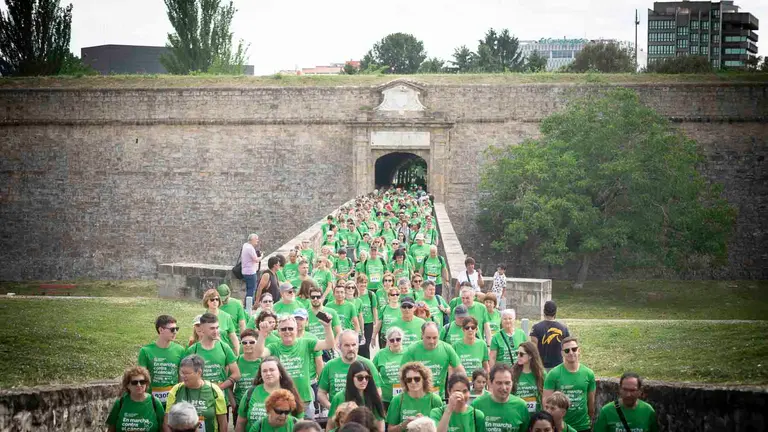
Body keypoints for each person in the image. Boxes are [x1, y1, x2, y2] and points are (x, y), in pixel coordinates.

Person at [255, 314, 336, 420]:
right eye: (283, 329)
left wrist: (327, 327)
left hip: (304, 399)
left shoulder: (306, 343)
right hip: (283, 400)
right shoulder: (274, 347)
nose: (287, 331)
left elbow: (329, 344)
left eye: (290, 328)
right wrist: (262, 335)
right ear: (278, 331)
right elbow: (259, 354)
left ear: (296, 329)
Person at [185, 313, 241, 409]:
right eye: (212, 328)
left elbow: (236, 374)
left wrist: (218, 388)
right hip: (199, 400)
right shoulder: (193, 350)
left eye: (217, 327)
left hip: (220, 399)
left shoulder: (224, 347)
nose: (216, 331)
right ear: (202, 329)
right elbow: (185, 376)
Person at [235, 356, 304, 432]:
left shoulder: (289, 394)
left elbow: (301, 425)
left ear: (280, 372)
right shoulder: (251, 393)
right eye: (264, 371)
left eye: (272, 370)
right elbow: (240, 423)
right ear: (261, 374)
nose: (268, 373)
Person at [318, 330, 382, 412]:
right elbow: (321, 393)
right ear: (339, 346)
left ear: (358, 345)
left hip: (363, 414)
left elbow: (378, 391)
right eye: (347, 345)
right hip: (338, 416)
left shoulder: (368, 364)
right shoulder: (330, 366)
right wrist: (332, 407)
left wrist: (368, 409)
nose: (351, 348)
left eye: (354, 345)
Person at [543, 337, 596, 432]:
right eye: (567, 350)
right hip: (561, 427)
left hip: (583, 426)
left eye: (574, 349)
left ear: (579, 350)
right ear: (562, 353)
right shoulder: (553, 374)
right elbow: (546, 403)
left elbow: (591, 403)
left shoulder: (589, 373)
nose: (571, 353)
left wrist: (590, 420)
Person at [401, 321, 465, 399]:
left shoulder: (447, 349)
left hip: (438, 397)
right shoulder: (411, 350)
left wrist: (458, 390)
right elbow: (402, 376)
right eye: (428, 338)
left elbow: (461, 371)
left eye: (435, 338)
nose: (431, 341)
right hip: (416, 397)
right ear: (422, 335)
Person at [165, 355, 227, 432]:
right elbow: (167, 420)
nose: (183, 376)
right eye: (182, 373)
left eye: (187, 373)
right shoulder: (176, 390)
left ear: (199, 372)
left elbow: (223, 422)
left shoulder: (214, 390)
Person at [138, 315, 186, 407]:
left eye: (177, 329)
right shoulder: (145, 351)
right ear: (161, 330)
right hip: (151, 401)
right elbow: (141, 378)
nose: (175, 332)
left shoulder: (180, 350)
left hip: (173, 401)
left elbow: (181, 376)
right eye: (172, 329)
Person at [327, 361, 386, 432]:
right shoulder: (339, 397)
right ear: (351, 377)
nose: (364, 381)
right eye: (360, 378)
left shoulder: (373, 396)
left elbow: (380, 425)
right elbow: (330, 426)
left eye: (367, 377)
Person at [471, 363, 530, 432]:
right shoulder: (477, 405)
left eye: (507, 383)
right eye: (499, 383)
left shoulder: (521, 406)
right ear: (490, 383)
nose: (503, 388)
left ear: (512, 383)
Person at [386, 362, 443, 432]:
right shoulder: (397, 400)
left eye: (417, 379)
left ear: (424, 379)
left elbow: (442, 429)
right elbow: (390, 430)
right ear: (405, 382)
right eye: (409, 380)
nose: (413, 382)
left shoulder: (435, 399)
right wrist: (405, 424)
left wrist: (425, 422)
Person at [593, 372, 658, 432]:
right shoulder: (607, 411)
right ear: (619, 389)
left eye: (632, 390)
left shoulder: (648, 411)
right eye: (625, 389)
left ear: (640, 391)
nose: (628, 395)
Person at [106, 366, 164, 432]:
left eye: (142, 382)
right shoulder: (120, 403)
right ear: (127, 385)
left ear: (146, 384)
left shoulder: (155, 403)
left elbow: (163, 428)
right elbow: (111, 429)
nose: (139, 385)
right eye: (134, 382)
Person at [233, 329, 264, 425]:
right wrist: (234, 405)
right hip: (239, 405)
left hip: (258, 406)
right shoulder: (236, 361)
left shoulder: (262, 362)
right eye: (244, 342)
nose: (248, 345)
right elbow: (229, 387)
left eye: (251, 342)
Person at [530, 301, 570, 371]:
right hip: (558, 366)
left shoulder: (536, 328)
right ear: (555, 312)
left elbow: (533, 349)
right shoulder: (563, 328)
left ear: (544, 311)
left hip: (541, 366)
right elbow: (568, 348)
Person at [372, 327, 406, 409]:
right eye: (392, 340)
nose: (395, 342)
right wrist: (378, 386)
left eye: (398, 339)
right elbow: (371, 372)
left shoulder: (408, 352)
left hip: (405, 397)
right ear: (387, 341)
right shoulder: (381, 354)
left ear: (402, 339)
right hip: (385, 398)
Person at [202, 288, 240, 356]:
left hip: (224, 352)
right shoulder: (202, 317)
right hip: (207, 352)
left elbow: (234, 337)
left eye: (217, 299)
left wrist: (237, 354)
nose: (215, 301)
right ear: (207, 301)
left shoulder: (227, 317)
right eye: (212, 299)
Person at [512, 341, 547, 413]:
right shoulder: (512, 373)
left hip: (536, 415)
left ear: (530, 356)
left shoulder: (541, 374)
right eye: (517, 353)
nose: (518, 356)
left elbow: (545, 396)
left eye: (521, 354)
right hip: (518, 413)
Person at [355, 273, 378, 359]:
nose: (363, 284)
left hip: (368, 323)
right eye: (361, 282)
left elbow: (374, 309)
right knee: (357, 346)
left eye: (365, 282)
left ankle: (366, 363)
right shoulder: (354, 295)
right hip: (356, 324)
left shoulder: (371, 295)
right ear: (357, 283)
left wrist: (375, 322)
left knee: (365, 346)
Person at [242, 233, 263, 300]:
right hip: (250, 272)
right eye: (256, 239)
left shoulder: (245, 245)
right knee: (252, 290)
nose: (257, 240)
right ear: (252, 239)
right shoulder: (250, 248)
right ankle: (249, 304)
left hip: (245, 271)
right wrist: (261, 256)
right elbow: (256, 260)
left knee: (249, 289)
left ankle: (246, 303)